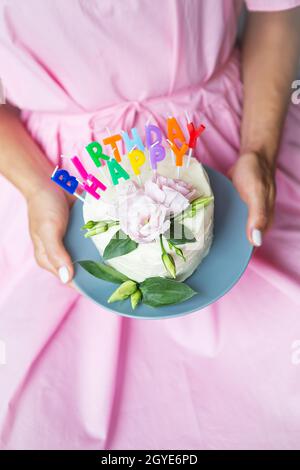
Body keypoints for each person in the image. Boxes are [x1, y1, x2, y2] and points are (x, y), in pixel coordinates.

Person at [0, 0, 300, 450]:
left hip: (234, 139)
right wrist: (38, 188)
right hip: (57, 178)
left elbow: (275, 11)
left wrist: (257, 151)